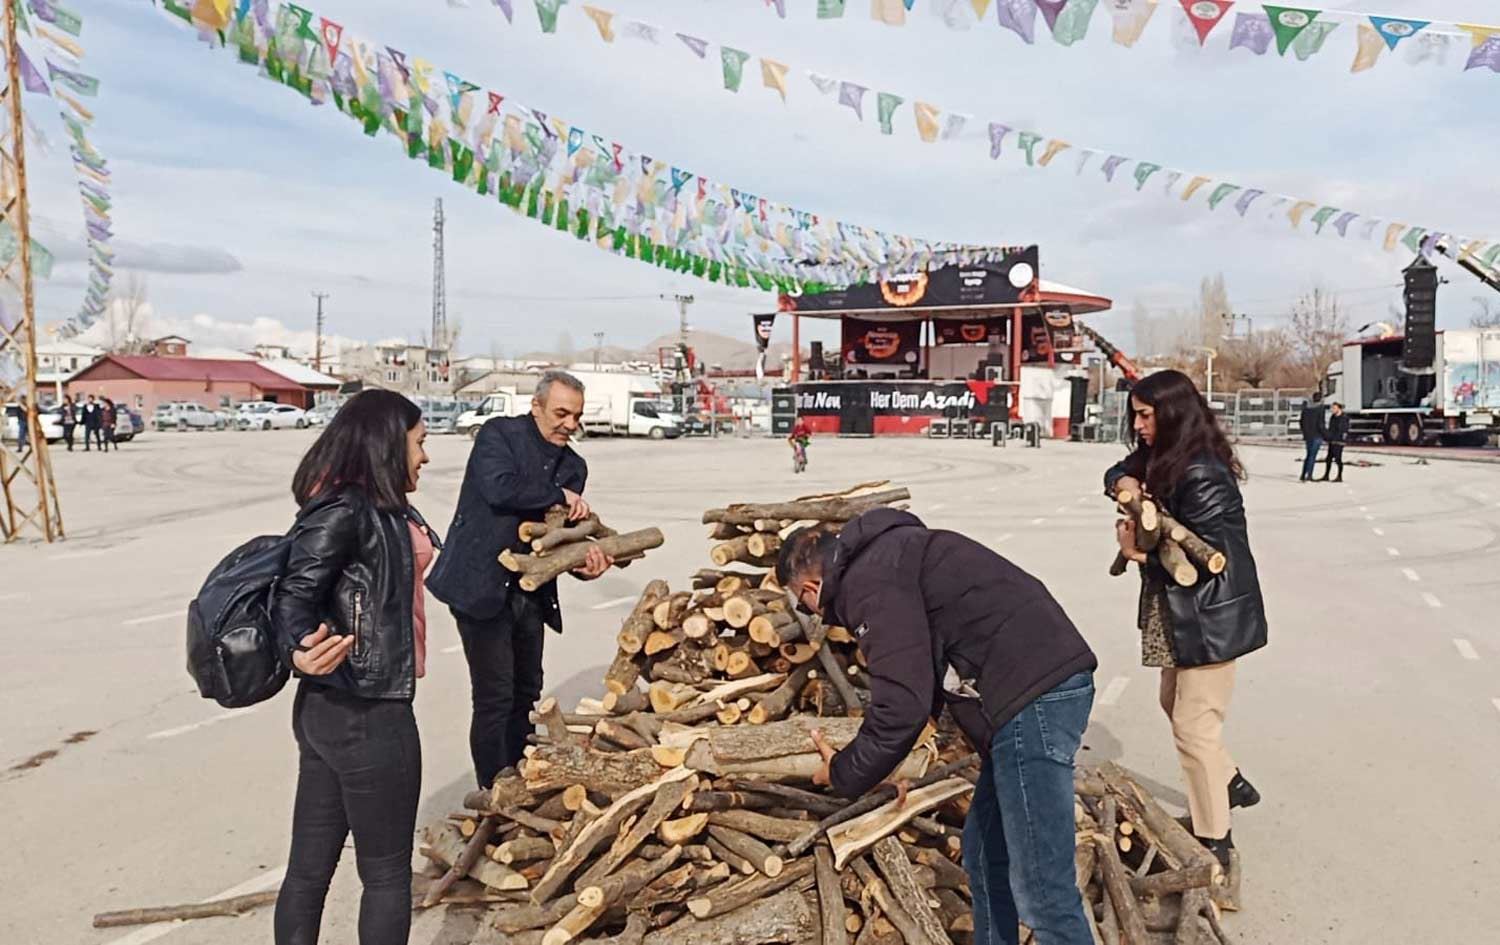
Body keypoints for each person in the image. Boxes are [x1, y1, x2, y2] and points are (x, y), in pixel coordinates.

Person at [779, 511, 1099, 944]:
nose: (811, 613)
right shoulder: (886, 557)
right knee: (986, 857)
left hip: (1033, 696)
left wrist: (844, 772)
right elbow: (924, 657)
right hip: (1031, 691)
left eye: (802, 604)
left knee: (1043, 890)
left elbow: (900, 703)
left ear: (811, 587)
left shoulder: (868, 582)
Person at [270, 389, 437, 945]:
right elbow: (293, 593)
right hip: (367, 708)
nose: (425, 456)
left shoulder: (386, 507)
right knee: (387, 875)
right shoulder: (346, 508)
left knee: (309, 871)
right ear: (389, 443)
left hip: (333, 710)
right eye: (419, 443)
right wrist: (297, 646)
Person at [1104, 369, 1267, 869]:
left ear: (1172, 414)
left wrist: (1134, 552)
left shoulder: (1201, 473)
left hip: (1211, 616)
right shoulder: (1165, 456)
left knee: (1193, 726)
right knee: (1172, 701)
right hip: (1179, 614)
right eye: (1135, 414)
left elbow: (1206, 559)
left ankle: (1214, 842)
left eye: (1147, 415)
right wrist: (1127, 483)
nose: (1139, 425)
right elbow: (1118, 472)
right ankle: (1229, 780)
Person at [427, 371, 612, 789]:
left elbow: (558, 537)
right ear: (536, 406)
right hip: (479, 586)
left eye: (576, 416)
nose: (569, 424)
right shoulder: (498, 436)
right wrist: (558, 495)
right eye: (561, 413)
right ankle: (495, 791)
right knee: (494, 696)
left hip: (530, 590)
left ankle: (522, 781)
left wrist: (586, 563)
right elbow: (498, 488)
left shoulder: (573, 466)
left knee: (527, 691)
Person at [1297, 391, 1327, 482]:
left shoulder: (1306, 409)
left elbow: (1301, 422)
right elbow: (1321, 424)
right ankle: (1309, 475)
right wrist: (1326, 435)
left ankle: (1303, 474)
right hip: (1317, 435)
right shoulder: (1320, 409)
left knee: (1308, 455)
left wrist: (1305, 433)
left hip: (1308, 435)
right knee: (1312, 456)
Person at [1320, 402, 1348, 482]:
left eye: (1334, 408)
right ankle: (1326, 475)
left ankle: (1339, 476)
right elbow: (1330, 428)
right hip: (1332, 440)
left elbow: (1343, 430)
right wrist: (1328, 437)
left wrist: (1341, 439)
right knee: (1328, 459)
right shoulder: (1333, 417)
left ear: (1339, 408)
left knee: (1338, 459)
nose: (1332, 410)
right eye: (1332, 408)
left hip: (1339, 441)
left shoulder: (1344, 417)